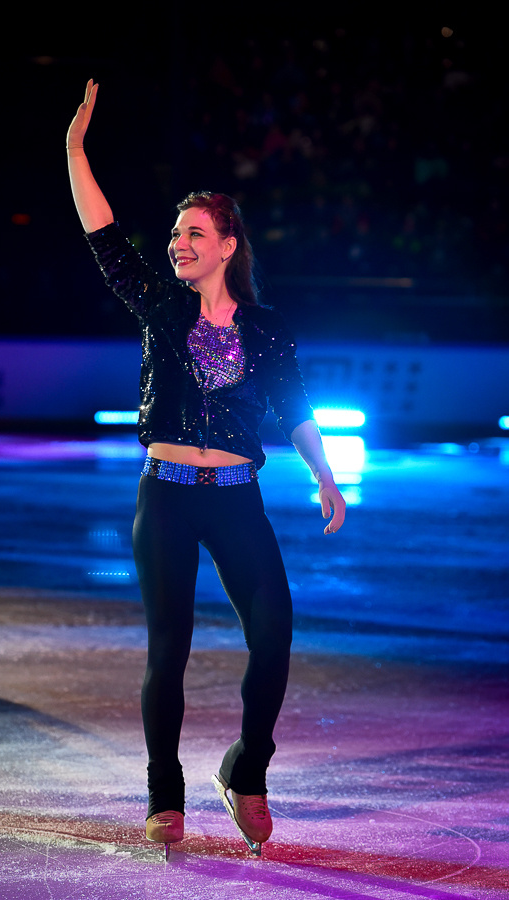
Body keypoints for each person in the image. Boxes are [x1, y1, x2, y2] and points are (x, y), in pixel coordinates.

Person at [67, 80, 345, 854]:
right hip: (165, 497)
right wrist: (75, 149)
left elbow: (294, 406)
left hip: (234, 497)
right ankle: (165, 794)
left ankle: (245, 771)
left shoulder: (266, 328)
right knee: (169, 649)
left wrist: (323, 473)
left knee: (274, 634)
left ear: (227, 244)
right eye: (173, 234)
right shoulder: (160, 307)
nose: (176, 243)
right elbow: (104, 238)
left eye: (193, 232)